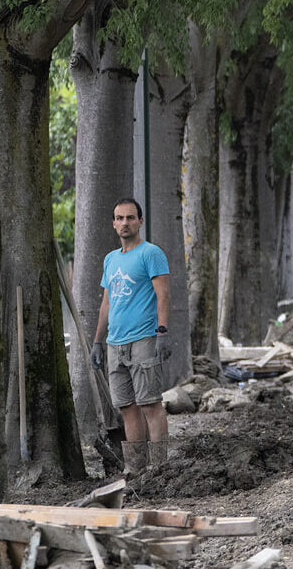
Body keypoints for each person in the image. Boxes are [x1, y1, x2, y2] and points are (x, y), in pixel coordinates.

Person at [91, 198, 172, 475]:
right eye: (119, 218)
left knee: (150, 402)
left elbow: (163, 294)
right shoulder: (111, 259)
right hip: (115, 343)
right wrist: (97, 342)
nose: (125, 223)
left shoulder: (151, 254)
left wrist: (162, 332)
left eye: (130, 218)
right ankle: (135, 468)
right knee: (127, 406)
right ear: (114, 223)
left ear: (140, 221)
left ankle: (160, 467)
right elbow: (106, 303)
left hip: (144, 339)